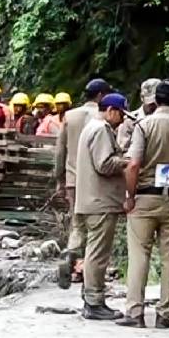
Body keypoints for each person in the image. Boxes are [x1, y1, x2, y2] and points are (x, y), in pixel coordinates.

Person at [118, 79, 169, 329]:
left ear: (155, 100)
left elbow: (133, 164)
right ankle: (165, 313)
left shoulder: (144, 125)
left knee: (140, 254)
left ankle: (135, 312)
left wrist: (129, 196)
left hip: (144, 196)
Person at [74, 92, 132, 321]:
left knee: (93, 251)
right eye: (121, 114)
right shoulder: (100, 130)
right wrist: (128, 161)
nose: (122, 120)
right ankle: (94, 301)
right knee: (98, 254)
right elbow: (104, 164)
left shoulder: (91, 127)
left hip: (91, 200)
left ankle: (90, 297)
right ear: (111, 111)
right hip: (100, 201)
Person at [53, 78, 112, 288]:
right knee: (97, 227)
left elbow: (60, 151)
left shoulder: (70, 116)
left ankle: (71, 257)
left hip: (73, 179)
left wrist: (59, 179)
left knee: (77, 223)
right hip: (96, 181)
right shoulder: (104, 117)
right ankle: (86, 269)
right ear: (100, 96)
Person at [118, 78, 160, 149]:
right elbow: (123, 149)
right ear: (142, 97)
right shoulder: (130, 120)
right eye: (149, 102)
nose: (152, 105)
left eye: (155, 102)